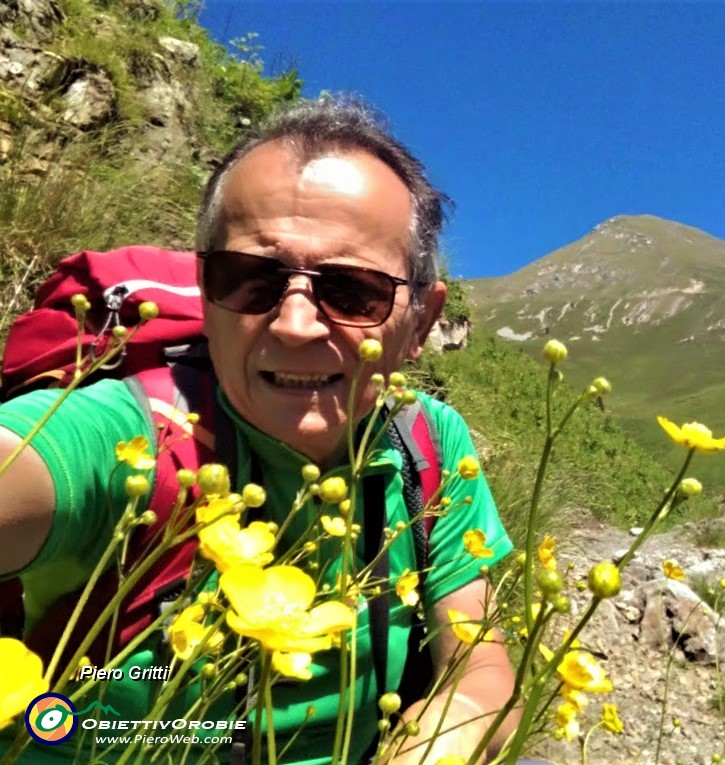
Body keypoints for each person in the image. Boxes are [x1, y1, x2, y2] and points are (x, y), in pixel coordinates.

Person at [0, 95, 517, 764]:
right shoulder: (132, 437)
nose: (295, 325)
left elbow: (482, 667)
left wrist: (455, 724)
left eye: (354, 291)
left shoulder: (433, 451)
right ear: (204, 290)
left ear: (420, 320)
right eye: (249, 279)